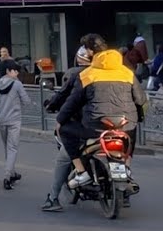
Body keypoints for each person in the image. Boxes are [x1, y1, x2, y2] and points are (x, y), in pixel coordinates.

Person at [57, 37, 148, 190]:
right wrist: (138, 116)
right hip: (124, 124)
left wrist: (60, 120)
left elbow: (73, 102)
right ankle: (126, 167)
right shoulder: (127, 73)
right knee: (130, 135)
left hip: (96, 125)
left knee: (65, 130)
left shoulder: (88, 74)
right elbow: (140, 100)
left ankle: (81, 172)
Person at [41, 43, 94, 212]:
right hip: (118, 123)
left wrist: (56, 113)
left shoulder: (76, 74)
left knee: (63, 157)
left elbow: (67, 98)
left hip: (85, 124)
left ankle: (53, 198)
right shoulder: (116, 74)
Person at [0, 59, 30, 191]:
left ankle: (12, 173)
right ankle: (7, 177)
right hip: (14, 120)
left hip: (1, 120)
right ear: (8, 71)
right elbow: (26, 101)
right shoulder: (17, 84)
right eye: (15, 70)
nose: (17, 73)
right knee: (12, 148)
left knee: (7, 147)